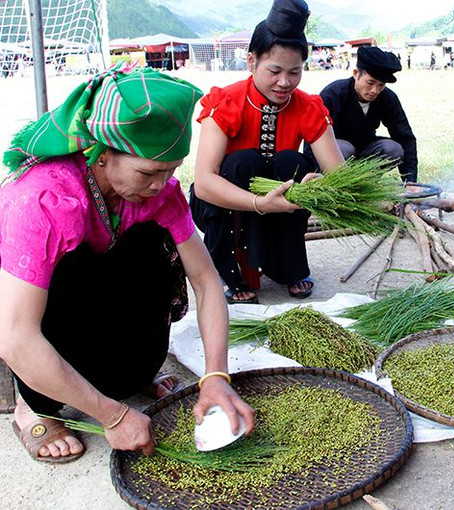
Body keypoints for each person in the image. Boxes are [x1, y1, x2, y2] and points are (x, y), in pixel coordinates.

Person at [0, 63, 255, 463]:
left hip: (95, 293)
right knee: (69, 264)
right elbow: (15, 336)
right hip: (29, 306)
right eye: (149, 172)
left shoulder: (159, 195)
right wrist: (113, 415)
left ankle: (131, 372)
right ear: (101, 155)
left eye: (170, 171)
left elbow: (206, 281)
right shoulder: (45, 199)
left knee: (154, 241)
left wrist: (216, 377)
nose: (160, 184)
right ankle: (31, 404)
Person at [189, 0, 345, 304]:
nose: (284, 82)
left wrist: (320, 185)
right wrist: (260, 203)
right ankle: (227, 269)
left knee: (293, 163)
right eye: (274, 70)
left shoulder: (308, 106)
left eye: (295, 72)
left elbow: (340, 175)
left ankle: (290, 267)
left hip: (281, 203)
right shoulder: (226, 102)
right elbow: (205, 183)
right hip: (224, 204)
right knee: (242, 162)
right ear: (251, 62)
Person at [310, 46, 418, 183]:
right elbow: (313, 135)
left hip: (366, 149)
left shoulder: (387, 98)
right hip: (337, 151)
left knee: (394, 149)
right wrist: (311, 172)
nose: (374, 90)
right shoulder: (333, 94)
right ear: (356, 74)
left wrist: (410, 181)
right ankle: (338, 184)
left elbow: (405, 137)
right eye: (370, 82)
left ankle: (365, 182)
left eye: (381, 85)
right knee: (345, 148)